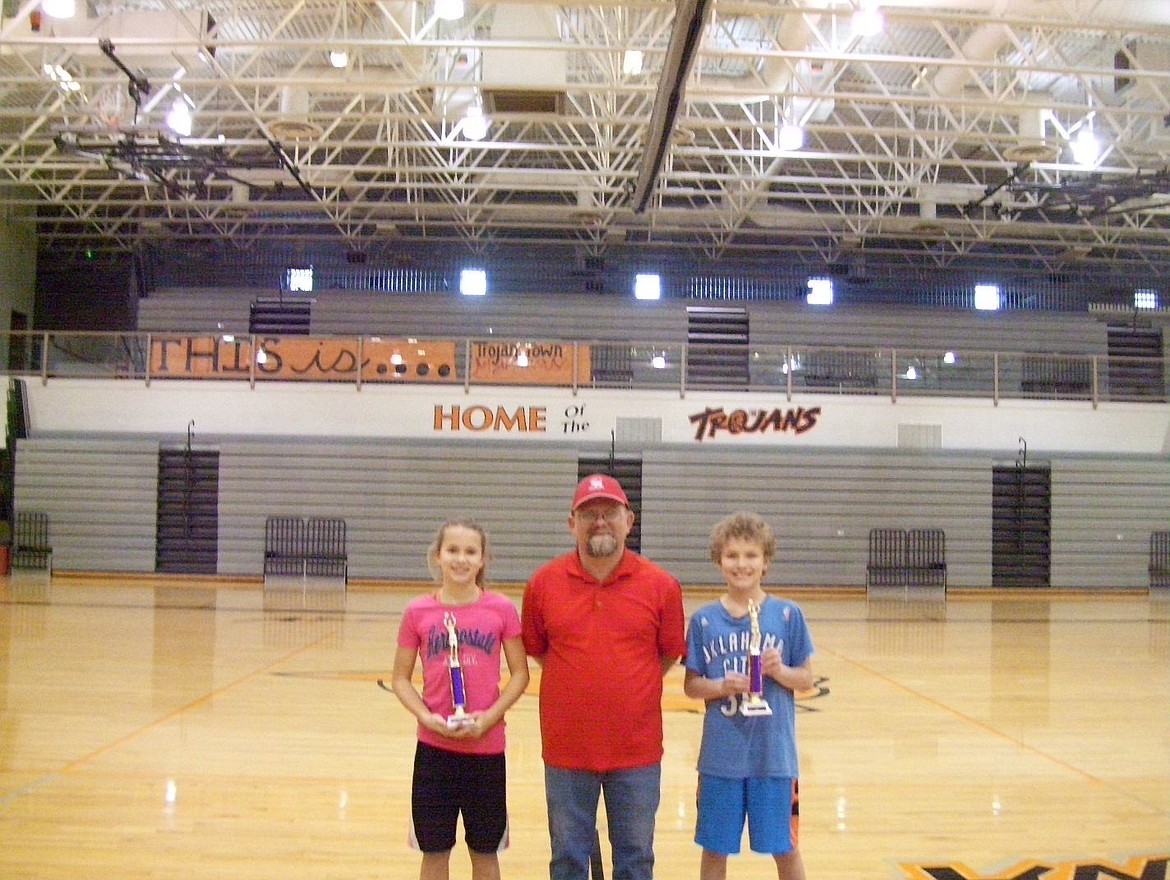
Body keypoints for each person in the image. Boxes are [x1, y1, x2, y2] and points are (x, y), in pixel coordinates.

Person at [522, 473, 687, 880]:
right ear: (571, 523)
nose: (600, 522)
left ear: (629, 520)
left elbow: (667, 654)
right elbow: (539, 648)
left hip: (637, 751)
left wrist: (628, 682)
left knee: (635, 859)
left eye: (610, 513)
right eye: (589, 514)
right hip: (566, 749)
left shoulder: (662, 585)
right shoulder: (542, 584)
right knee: (567, 858)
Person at [391, 520, 530, 880]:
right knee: (434, 851)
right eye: (453, 550)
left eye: (471, 552)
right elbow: (401, 679)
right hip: (434, 750)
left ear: (483, 560)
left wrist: (488, 719)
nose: (461, 559)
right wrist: (425, 716)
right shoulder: (417, 612)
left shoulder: (500, 609)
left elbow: (520, 675)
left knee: (485, 852)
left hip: (486, 750)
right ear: (437, 556)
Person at [683, 512, 815, 880]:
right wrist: (721, 685)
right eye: (732, 556)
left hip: (774, 758)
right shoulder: (704, 621)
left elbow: (805, 680)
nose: (742, 564)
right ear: (719, 561)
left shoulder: (789, 615)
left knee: (785, 848)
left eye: (751, 555)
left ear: (766, 562)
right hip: (720, 759)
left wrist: (780, 672)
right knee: (715, 850)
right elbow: (691, 685)